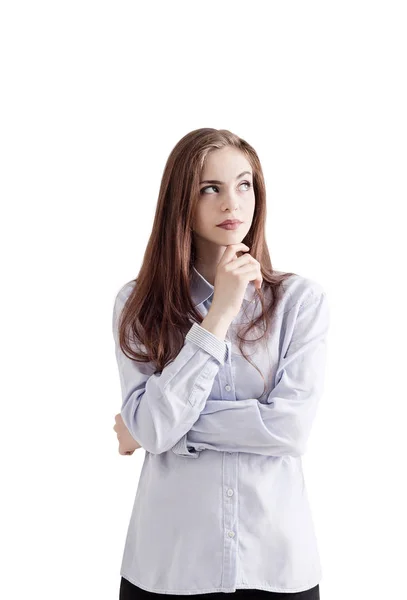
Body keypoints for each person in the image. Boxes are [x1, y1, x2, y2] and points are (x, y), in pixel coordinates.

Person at [112, 128, 329, 599]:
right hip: (169, 566)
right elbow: (152, 429)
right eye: (210, 188)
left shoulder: (299, 302)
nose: (232, 202)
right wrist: (219, 315)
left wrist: (159, 430)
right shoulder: (137, 303)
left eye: (244, 184)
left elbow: (290, 430)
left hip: (276, 566)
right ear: (180, 203)